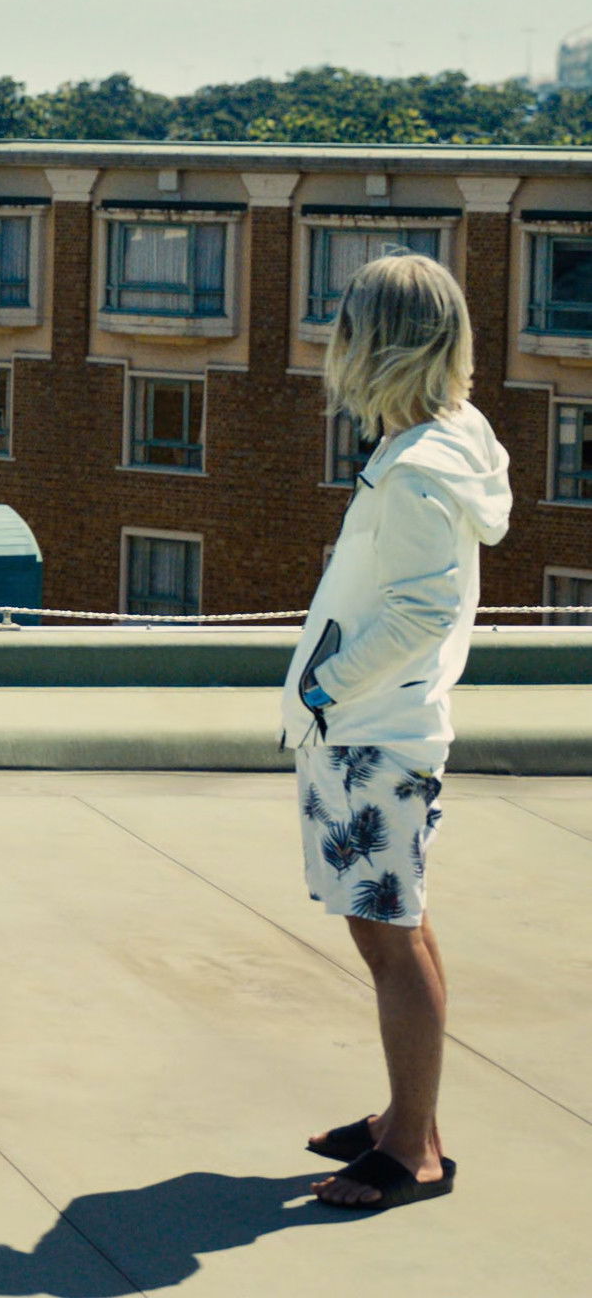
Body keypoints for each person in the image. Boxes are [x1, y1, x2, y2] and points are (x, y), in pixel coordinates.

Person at [282, 251, 507, 1212]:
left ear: (371, 342)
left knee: (389, 941)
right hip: (381, 727)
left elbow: (421, 610)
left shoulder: (416, 471)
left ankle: (411, 1150)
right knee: (398, 929)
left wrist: (325, 688)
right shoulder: (448, 438)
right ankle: (407, 1118)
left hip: (373, 731)